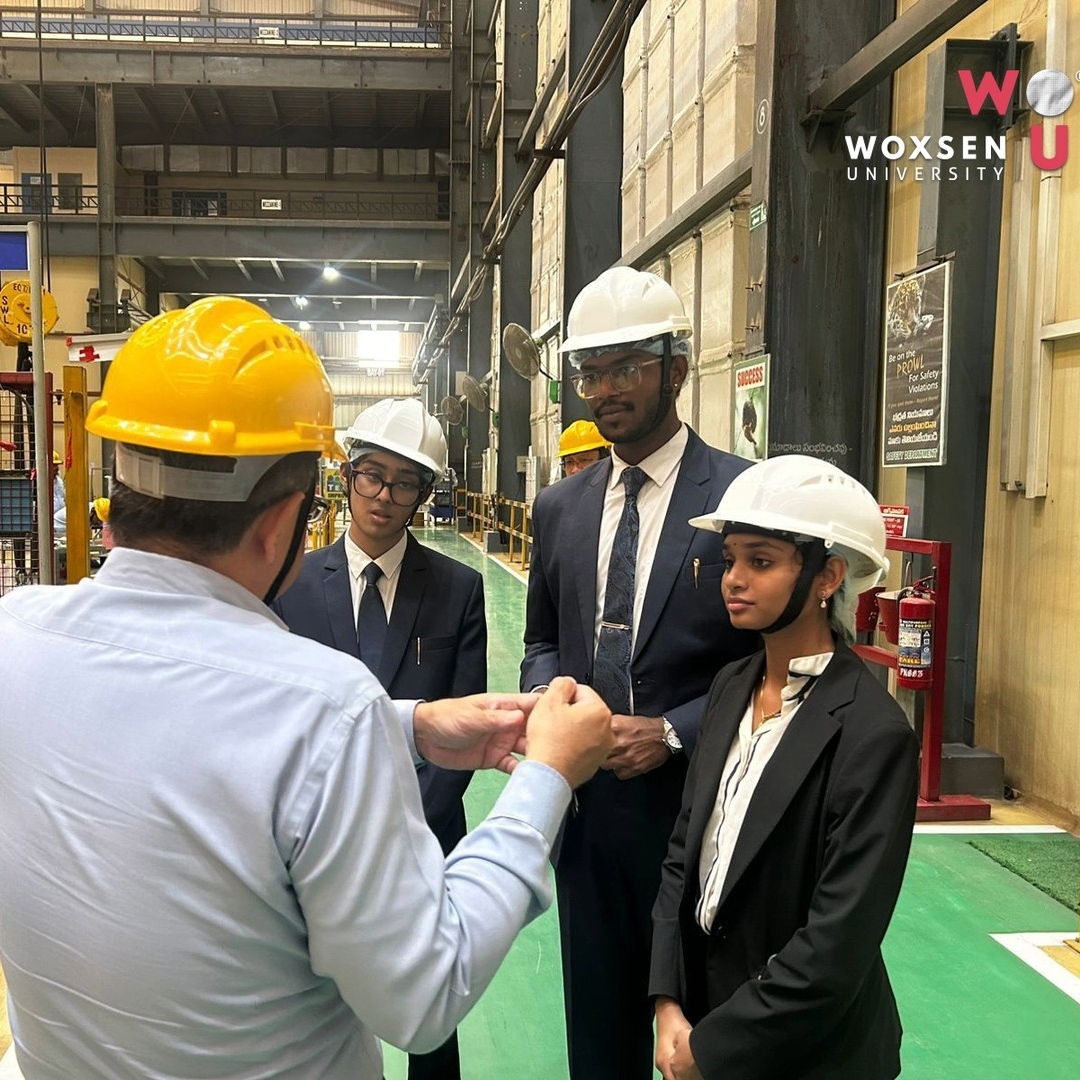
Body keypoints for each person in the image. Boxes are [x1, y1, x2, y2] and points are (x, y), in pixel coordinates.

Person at [0, 296, 615, 1080]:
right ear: (281, 522)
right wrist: (546, 777)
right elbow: (423, 993)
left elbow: (207, 718)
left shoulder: (15, 637)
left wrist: (407, 724)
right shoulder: (326, 708)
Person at [520, 267, 759, 1080]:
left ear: (676, 370)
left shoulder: (737, 496)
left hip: (699, 813)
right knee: (598, 1035)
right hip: (588, 816)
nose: (606, 389)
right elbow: (543, 638)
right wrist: (550, 701)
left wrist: (671, 731)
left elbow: (767, 659)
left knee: (701, 1038)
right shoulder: (560, 508)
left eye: (627, 367)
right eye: (592, 372)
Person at [650, 455, 920, 1080]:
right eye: (730, 560)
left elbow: (837, 943)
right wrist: (667, 1001)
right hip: (701, 1019)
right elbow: (682, 854)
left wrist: (713, 1050)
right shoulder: (730, 686)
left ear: (828, 576)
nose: (734, 579)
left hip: (809, 1052)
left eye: (761, 561)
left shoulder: (872, 734)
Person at [273, 396, 483, 1080]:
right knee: (318, 1009)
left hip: (425, 838)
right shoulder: (293, 586)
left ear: (424, 493)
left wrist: (402, 825)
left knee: (430, 1012)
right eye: (372, 475)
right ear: (347, 476)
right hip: (314, 838)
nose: (385, 497)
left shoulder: (457, 589)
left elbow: (464, 723)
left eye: (405, 483)